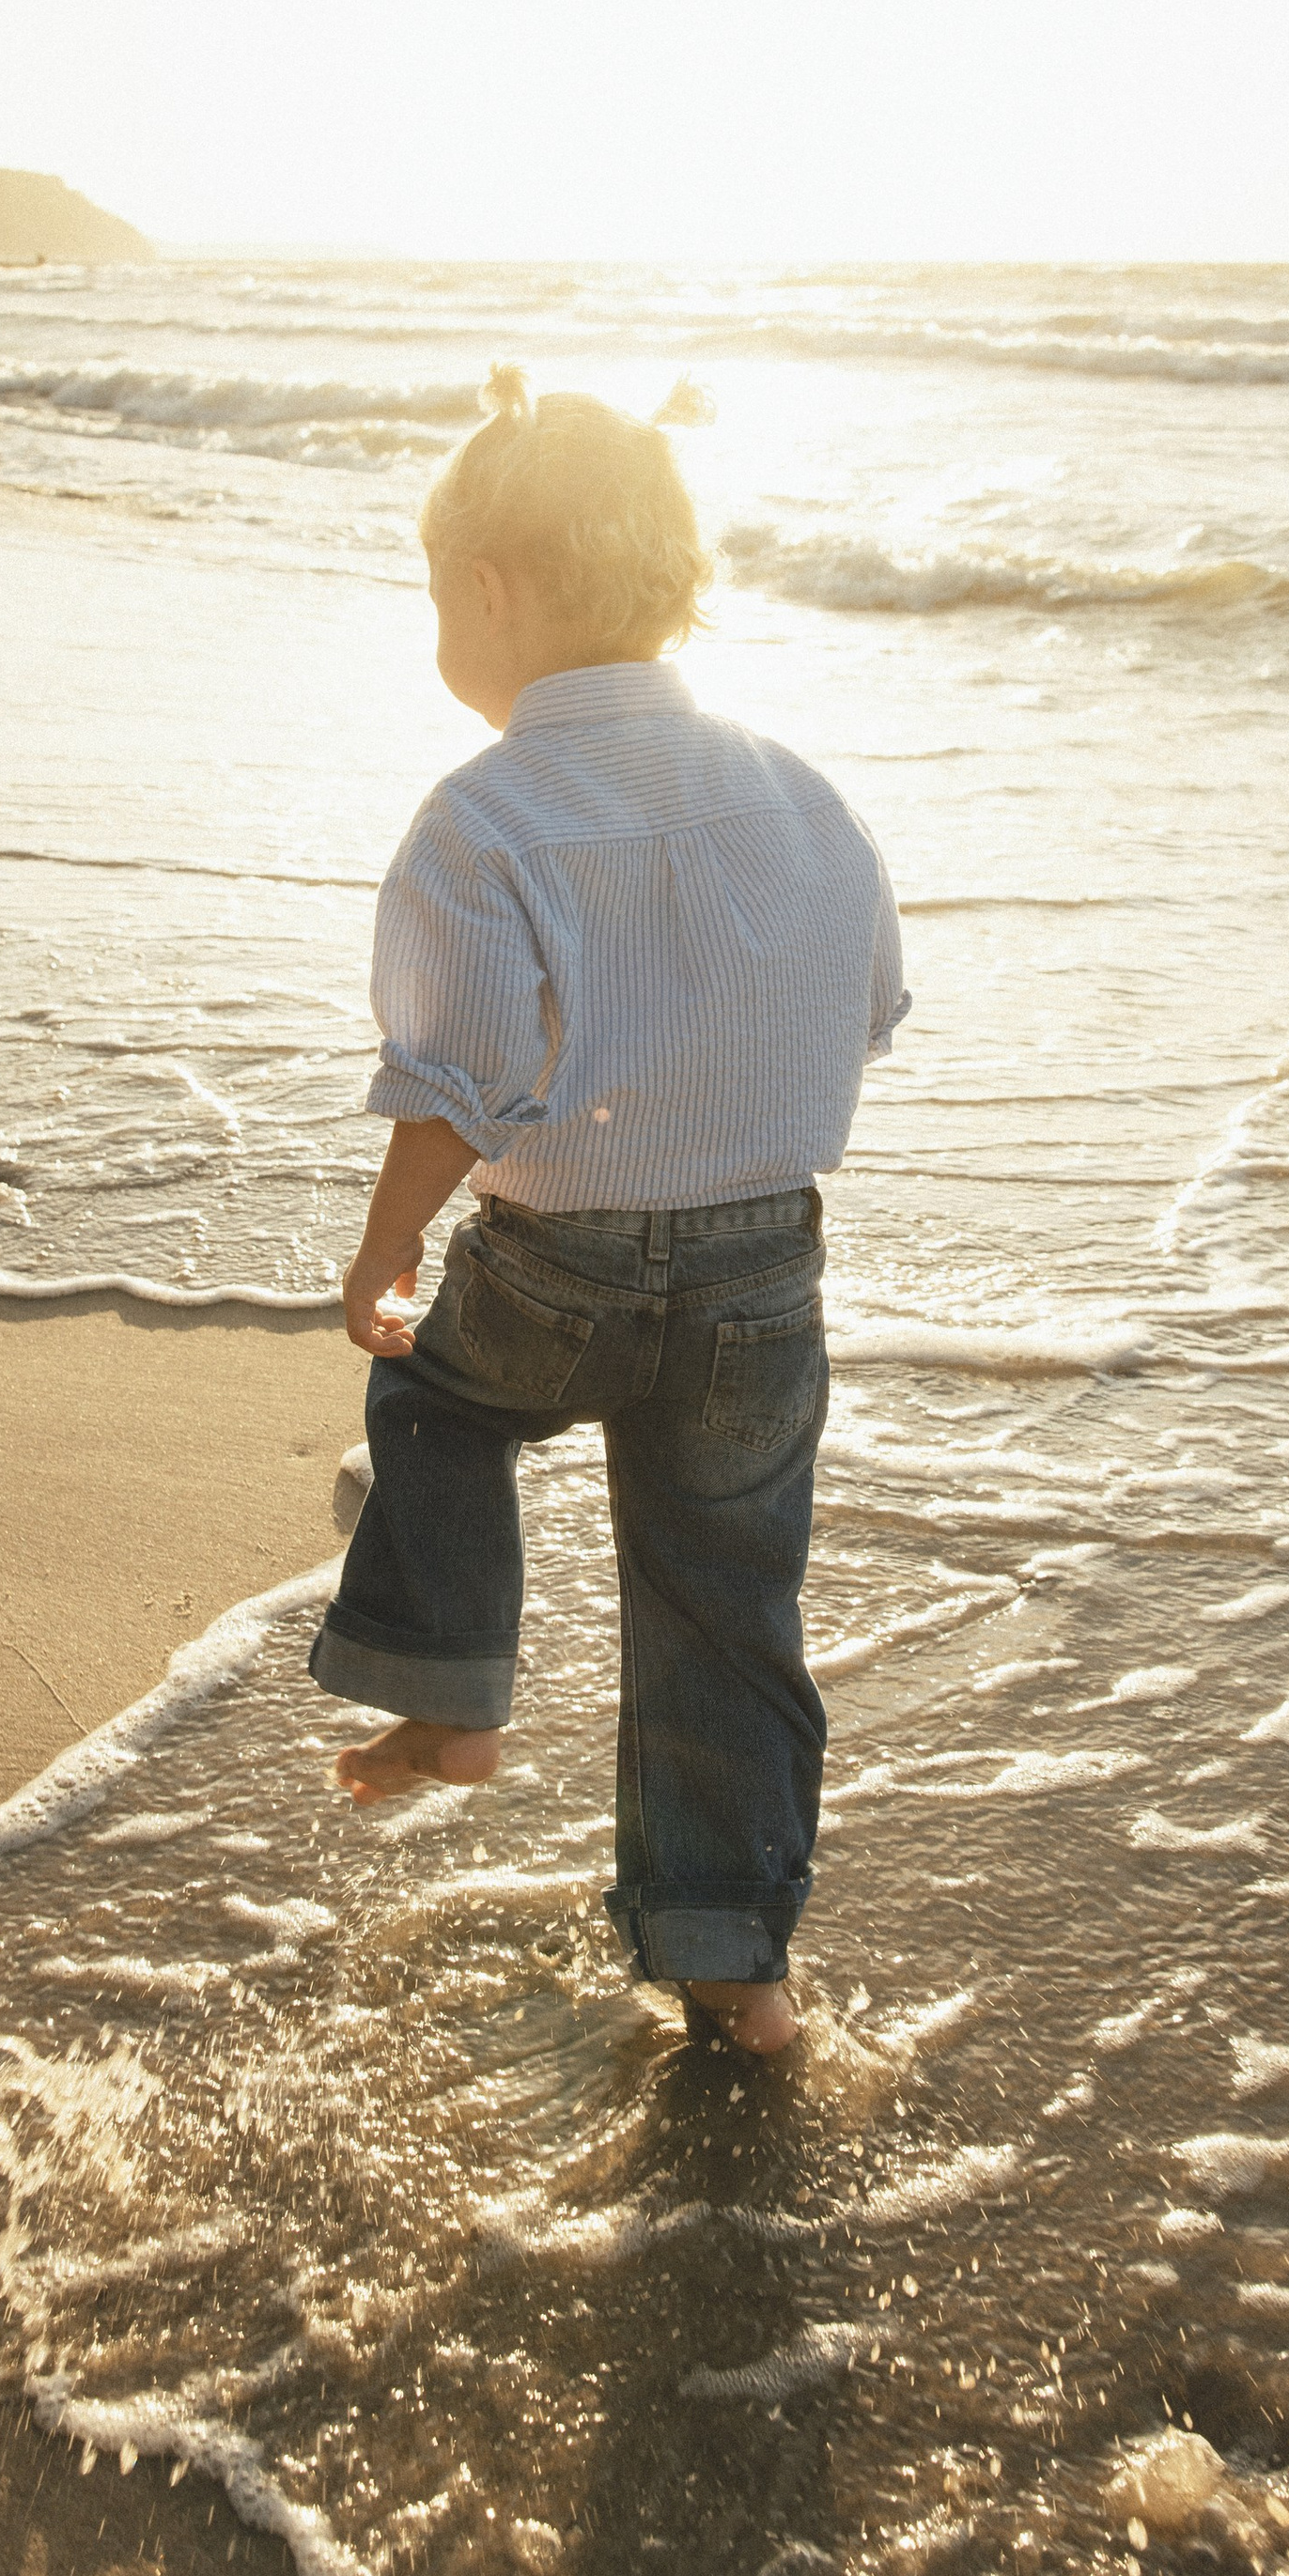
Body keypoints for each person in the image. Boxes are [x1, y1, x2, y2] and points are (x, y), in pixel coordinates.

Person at [310, 365, 909, 2056]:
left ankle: (449, 1694)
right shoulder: (800, 789)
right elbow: (866, 1004)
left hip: (557, 1262)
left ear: (489, 592)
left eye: (440, 590)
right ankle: (738, 1969)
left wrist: (388, 1245)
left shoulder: (483, 819)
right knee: (727, 1600)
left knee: (437, 1393)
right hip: (761, 1282)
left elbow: (459, 1083)